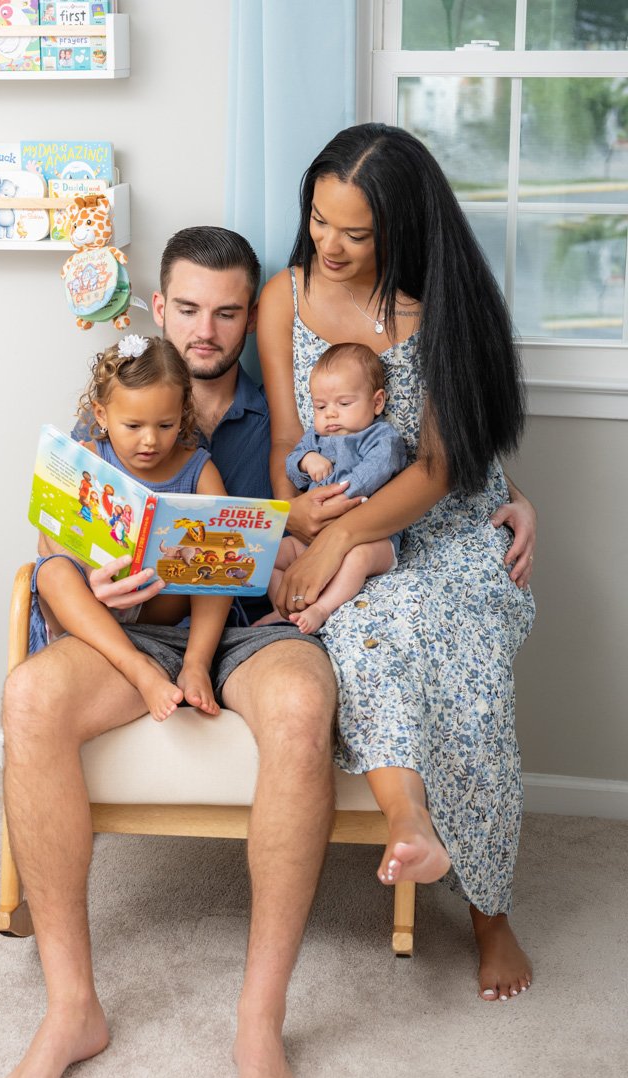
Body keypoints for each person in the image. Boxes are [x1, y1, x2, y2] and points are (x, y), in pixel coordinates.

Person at [0, 227, 339, 1078]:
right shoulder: (105, 411)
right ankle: (73, 1007)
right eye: (189, 307)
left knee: (305, 708)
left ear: (252, 316)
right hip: (132, 634)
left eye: (230, 312)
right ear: (159, 305)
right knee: (30, 695)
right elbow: (55, 555)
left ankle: (259, 1022)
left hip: (243, 633)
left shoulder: (290, 417)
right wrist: (99, 589)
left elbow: (385, 476)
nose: (207, 328)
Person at [257, 123, 537, 1003]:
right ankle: (411, 821)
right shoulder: (284, 297)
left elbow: (442, 467)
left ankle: (491, 912)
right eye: (319, 222)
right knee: (372, 624)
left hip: (446, 527)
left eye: (356, 232)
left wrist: (342, 538)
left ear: (402, 231)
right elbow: (288, 442)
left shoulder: (437, 309)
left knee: (461, 659)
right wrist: (305, 515)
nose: (329, 247)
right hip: (341, 526)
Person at [32, 335, 233, 722]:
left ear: (184, 413)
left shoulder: (199, 469)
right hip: (93, 603)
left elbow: (224, 561)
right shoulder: (89, 457)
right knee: (53, 571)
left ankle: (195, 664)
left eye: (165, 424)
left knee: (218, 569)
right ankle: (137, 668)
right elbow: (50, 540)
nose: (150, 439)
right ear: (102, 415)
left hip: (158, 606)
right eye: (133, 425)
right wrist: (88, 574)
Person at [269, 340, 407, 634]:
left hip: (370, 537)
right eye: (320, 406)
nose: (330, 414)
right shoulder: (315, 439)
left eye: (343, 404)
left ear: (377, 402)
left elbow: (377, 469)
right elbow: (291, 463)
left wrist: (340, 495)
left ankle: (321, 608)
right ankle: (283, 610)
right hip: (313, 536)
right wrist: (307, 460)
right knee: (269, 556)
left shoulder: (380, 436)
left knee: (357, 558)